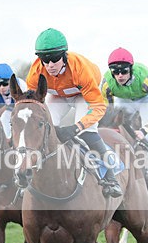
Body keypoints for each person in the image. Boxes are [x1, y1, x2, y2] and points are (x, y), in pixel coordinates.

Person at [27, 28, 122, 198]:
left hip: (82, 95)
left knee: (87, 131)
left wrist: (77, 127)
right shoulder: (35, 73)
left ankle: (110, 176)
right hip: (57, 95)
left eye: (55, 59)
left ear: (64, 55)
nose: (50, 65)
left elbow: (98, 107)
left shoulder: (81, 70)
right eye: (44, 60)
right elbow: (32, 106)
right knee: (47, 128)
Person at [101, 47, 148, 194]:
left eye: (124, 71)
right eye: (115, 72)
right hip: (124, 100)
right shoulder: (106, 84)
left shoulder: (147, 79)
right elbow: (107, 111)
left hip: (144, 100)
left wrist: (145, 129)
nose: (120, 75)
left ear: (131, 68)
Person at [0, 63, 28, 139]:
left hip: (22, 112)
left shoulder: (22, 86)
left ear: (11, 82)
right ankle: (7, 142)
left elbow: (28, 109)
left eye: (5, 84)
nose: (1, 87)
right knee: (4, 115)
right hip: (5, 116)